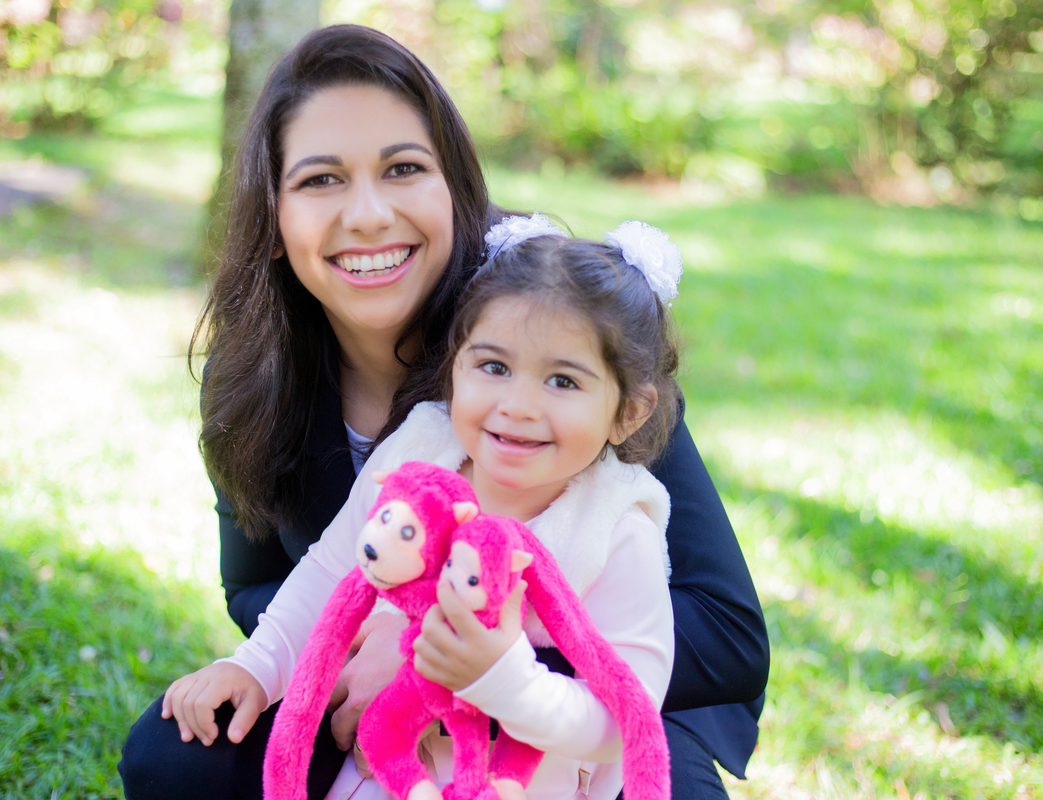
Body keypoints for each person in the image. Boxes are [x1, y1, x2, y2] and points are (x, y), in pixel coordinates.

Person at [119, 24, 768, 800]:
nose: (366, 215)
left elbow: (726, 634)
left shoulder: (555, 343)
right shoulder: (257, 370)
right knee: (179, 757)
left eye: (402, 168)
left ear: (453, 184)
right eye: (321, 179)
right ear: (274, 214)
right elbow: (257, 584)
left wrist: (455, 649)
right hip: (370, 688)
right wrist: (366, 630)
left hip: (597, 702)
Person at [165, 219, 688, 800]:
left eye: (563, 381)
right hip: (379, 765)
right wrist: (256, 669)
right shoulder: (424, 451)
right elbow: (330, 573)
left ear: (629, 412)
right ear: (454, 366)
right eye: (494, 367)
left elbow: (624, 719)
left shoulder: (615, 531)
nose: (517, 405)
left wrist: (503, 680)